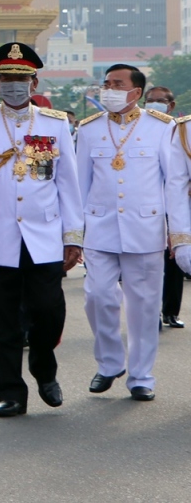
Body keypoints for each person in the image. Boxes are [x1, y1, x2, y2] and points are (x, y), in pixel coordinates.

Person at [0, 42, 83, 418]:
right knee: (3, 318)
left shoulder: (54, 124)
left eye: (21, 79)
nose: (14, 85)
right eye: (7, 78)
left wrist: (73, 236)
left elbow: (65, 184)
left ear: (34, 82)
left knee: (49, 310)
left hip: (43, 234)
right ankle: (11, 392)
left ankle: (44, 370)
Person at [77, 65, 177, 401]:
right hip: (100, 227)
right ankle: (109, 363)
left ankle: (141, 376)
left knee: (144, 306)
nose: (109, 89)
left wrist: (177, 233)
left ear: (136, 92)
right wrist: (74, 234)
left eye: (117, 84)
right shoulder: (89, 129)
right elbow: (80, 185)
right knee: (97, 296)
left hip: (145, 228)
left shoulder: (161, 128)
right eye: (106, 83)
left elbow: (172, 185)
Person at [145, 86, 185, 329]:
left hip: (176, 203)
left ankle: (170, 311)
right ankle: (153, 313)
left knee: (175, 258)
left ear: (171, 105)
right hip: (149, 203)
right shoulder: (138, 129)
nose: (155, 104)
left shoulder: (182, 130)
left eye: (160, 101)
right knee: (151, 261)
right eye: (150, 101)